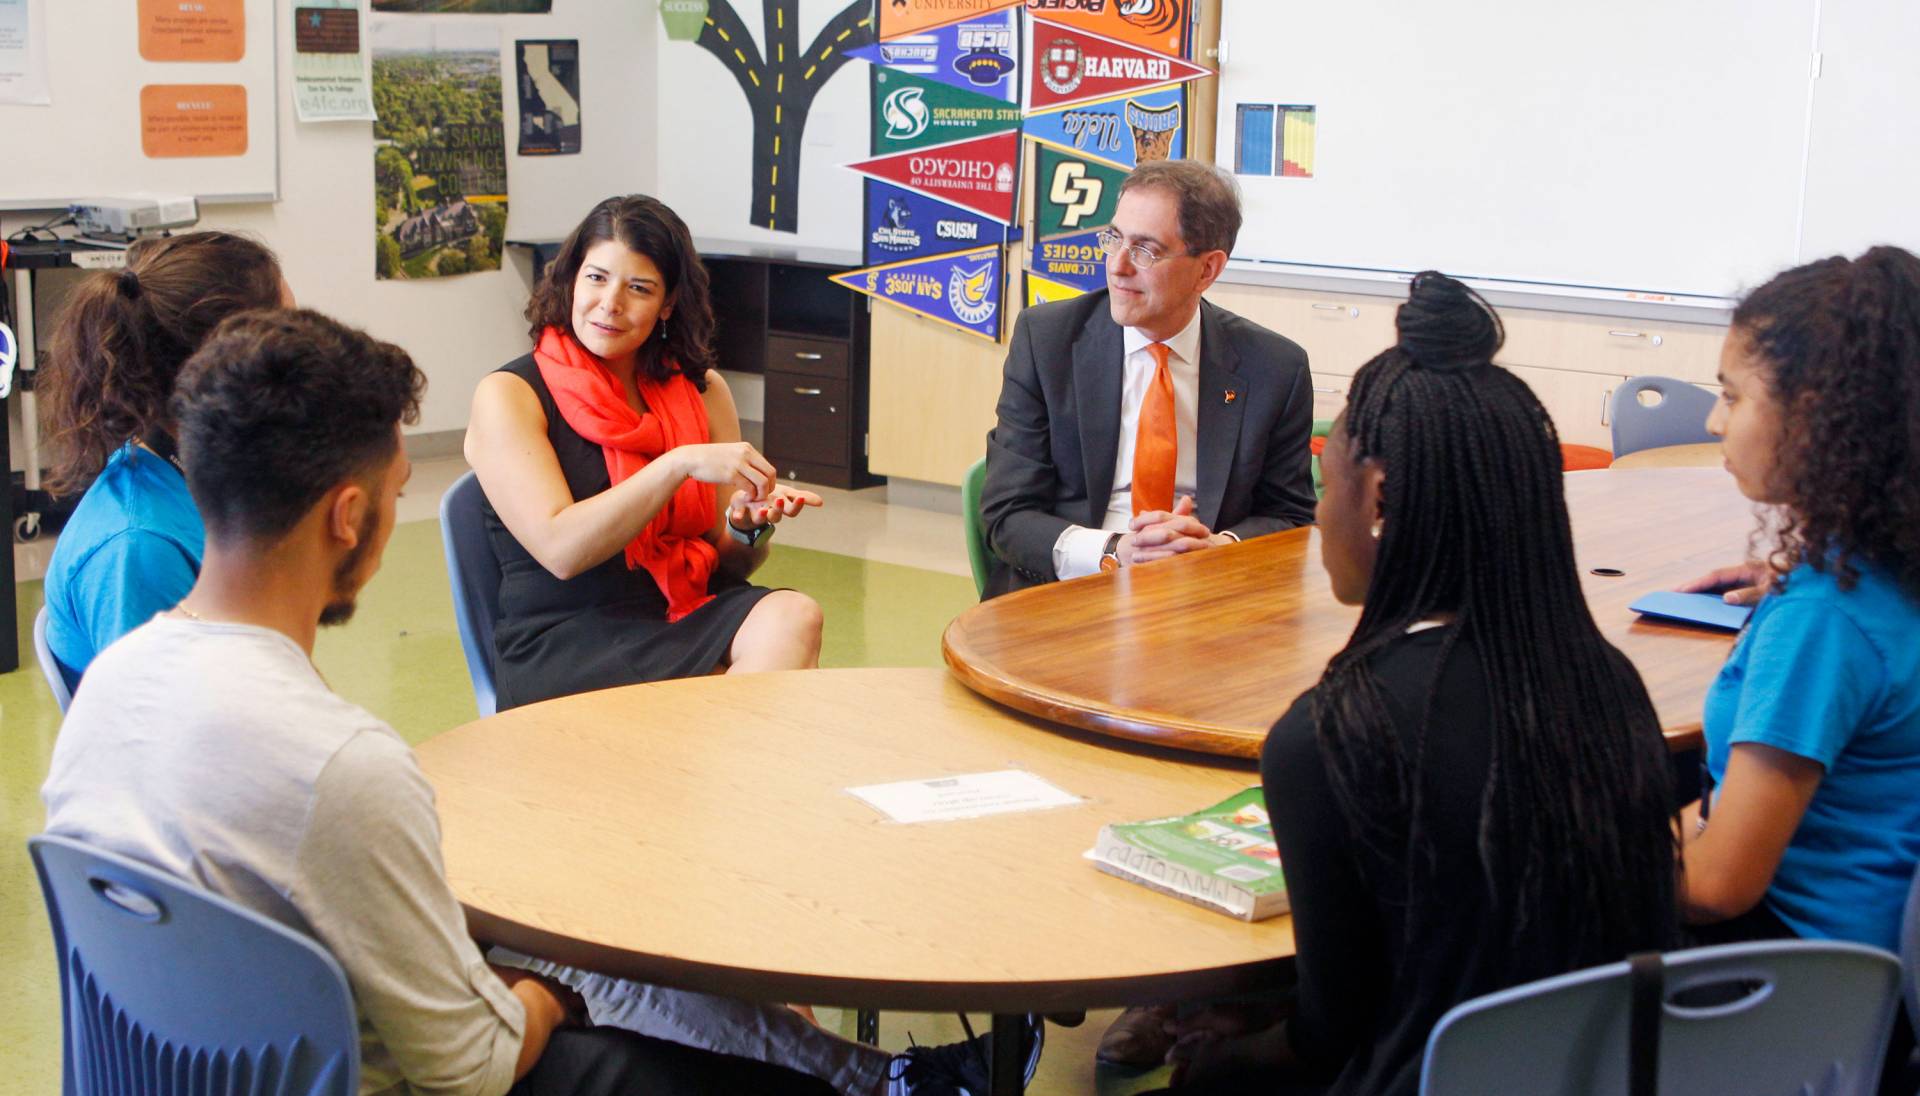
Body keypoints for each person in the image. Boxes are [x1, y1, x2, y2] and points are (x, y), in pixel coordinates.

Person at [40, 308, 1030, 1096]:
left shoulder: (114, 682)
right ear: (350, 517)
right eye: (394, 491)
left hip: (217, 1058)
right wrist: (546, 991)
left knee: (591, 956)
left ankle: (873, 1076)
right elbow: (476, 1066)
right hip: (412, 1077)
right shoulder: (340, 763)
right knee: (585, 978)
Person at [1155, 274, 1679, 1095]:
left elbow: (1335, 1032)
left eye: (1326, 486)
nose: (1320, 517)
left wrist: (1231, 1050)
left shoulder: (1333, 732)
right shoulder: (1606, 683)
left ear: (1377, 498)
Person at [465, 195, 824, 709]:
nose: (610, 303)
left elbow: (727, 567)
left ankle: (718, 779)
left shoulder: (702, 391)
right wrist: (675, 465)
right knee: (742, 692)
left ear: (669, 304)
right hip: (567, 635)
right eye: (595, 278)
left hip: (679, 608)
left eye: (638, 288)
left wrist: (747, 525)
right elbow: (561, 551)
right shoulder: (510, 394)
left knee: (795, 617)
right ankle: (720, 780)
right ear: (570, 279)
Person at [1676, 246, 1920, 965]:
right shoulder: (1885, 576)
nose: (1716, 423)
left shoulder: (1824, 619)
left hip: (1792, 984)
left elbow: (1719, 885)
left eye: (1732, 395)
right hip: (1859, 966)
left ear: (1813, 415)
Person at [978, 159, 1316, 601]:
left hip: (1208, 594)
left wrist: (1217, 550)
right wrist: (1116, 551)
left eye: (1145, 250)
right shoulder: (1048, 342)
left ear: (1207, 269)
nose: (1117, 266)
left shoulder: (1274, 367)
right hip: (1076, 584)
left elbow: (1290, 516)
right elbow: (1007, 514)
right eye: (1114, 239)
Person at [38, 230, 289, 687]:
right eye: (291, 335)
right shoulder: (139, 547)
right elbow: (159, 736)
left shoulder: (188, 472)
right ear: (231, 363)